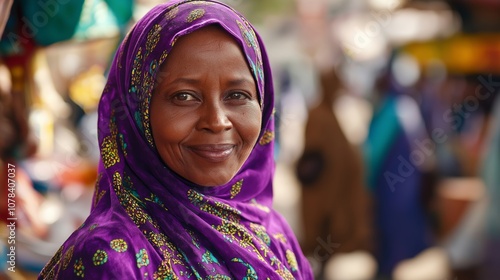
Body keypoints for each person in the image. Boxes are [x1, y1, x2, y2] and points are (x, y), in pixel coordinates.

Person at [38, 0, 313, 279]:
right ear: (137, 111)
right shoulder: (109, 258)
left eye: (237, 95)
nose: (217, 122)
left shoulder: (271, 231)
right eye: (184, 96)